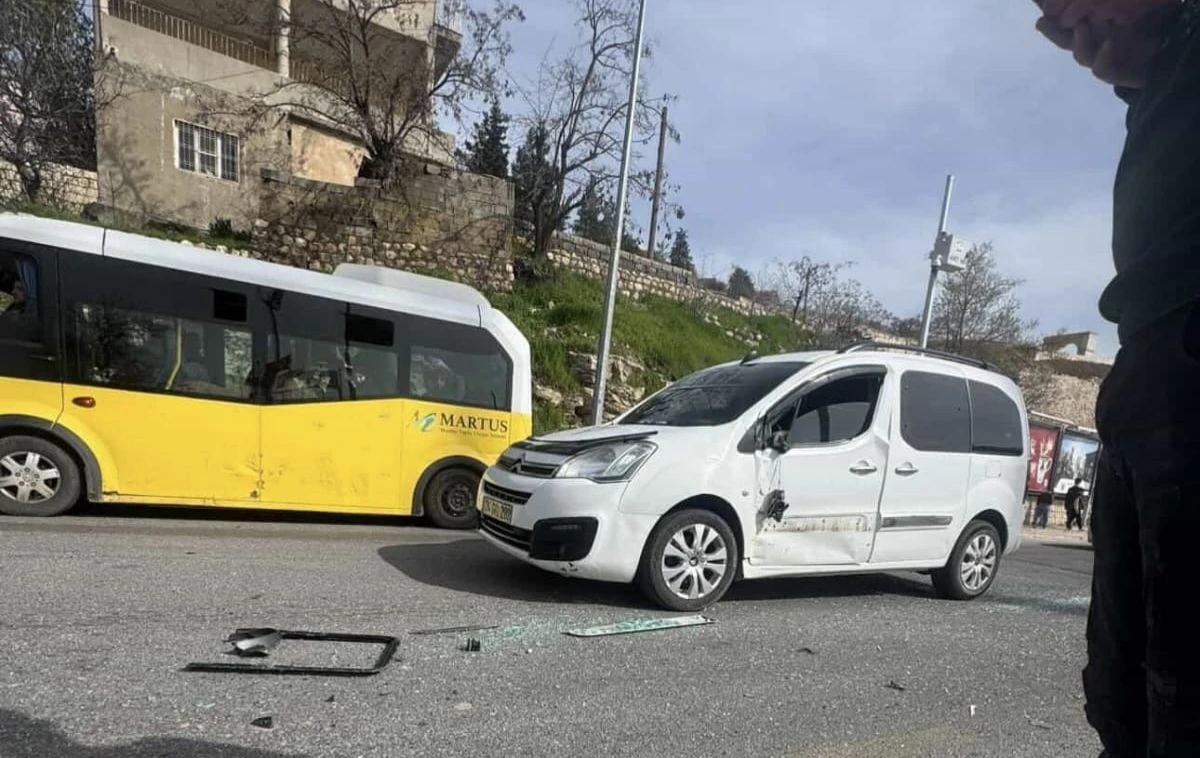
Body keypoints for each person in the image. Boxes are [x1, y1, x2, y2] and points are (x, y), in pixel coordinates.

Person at [1034, 1, 1200, 755]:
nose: (1066, 28)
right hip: (1148, 359)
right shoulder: (1168, 68)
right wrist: (1141, 68)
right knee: (1122, 697)